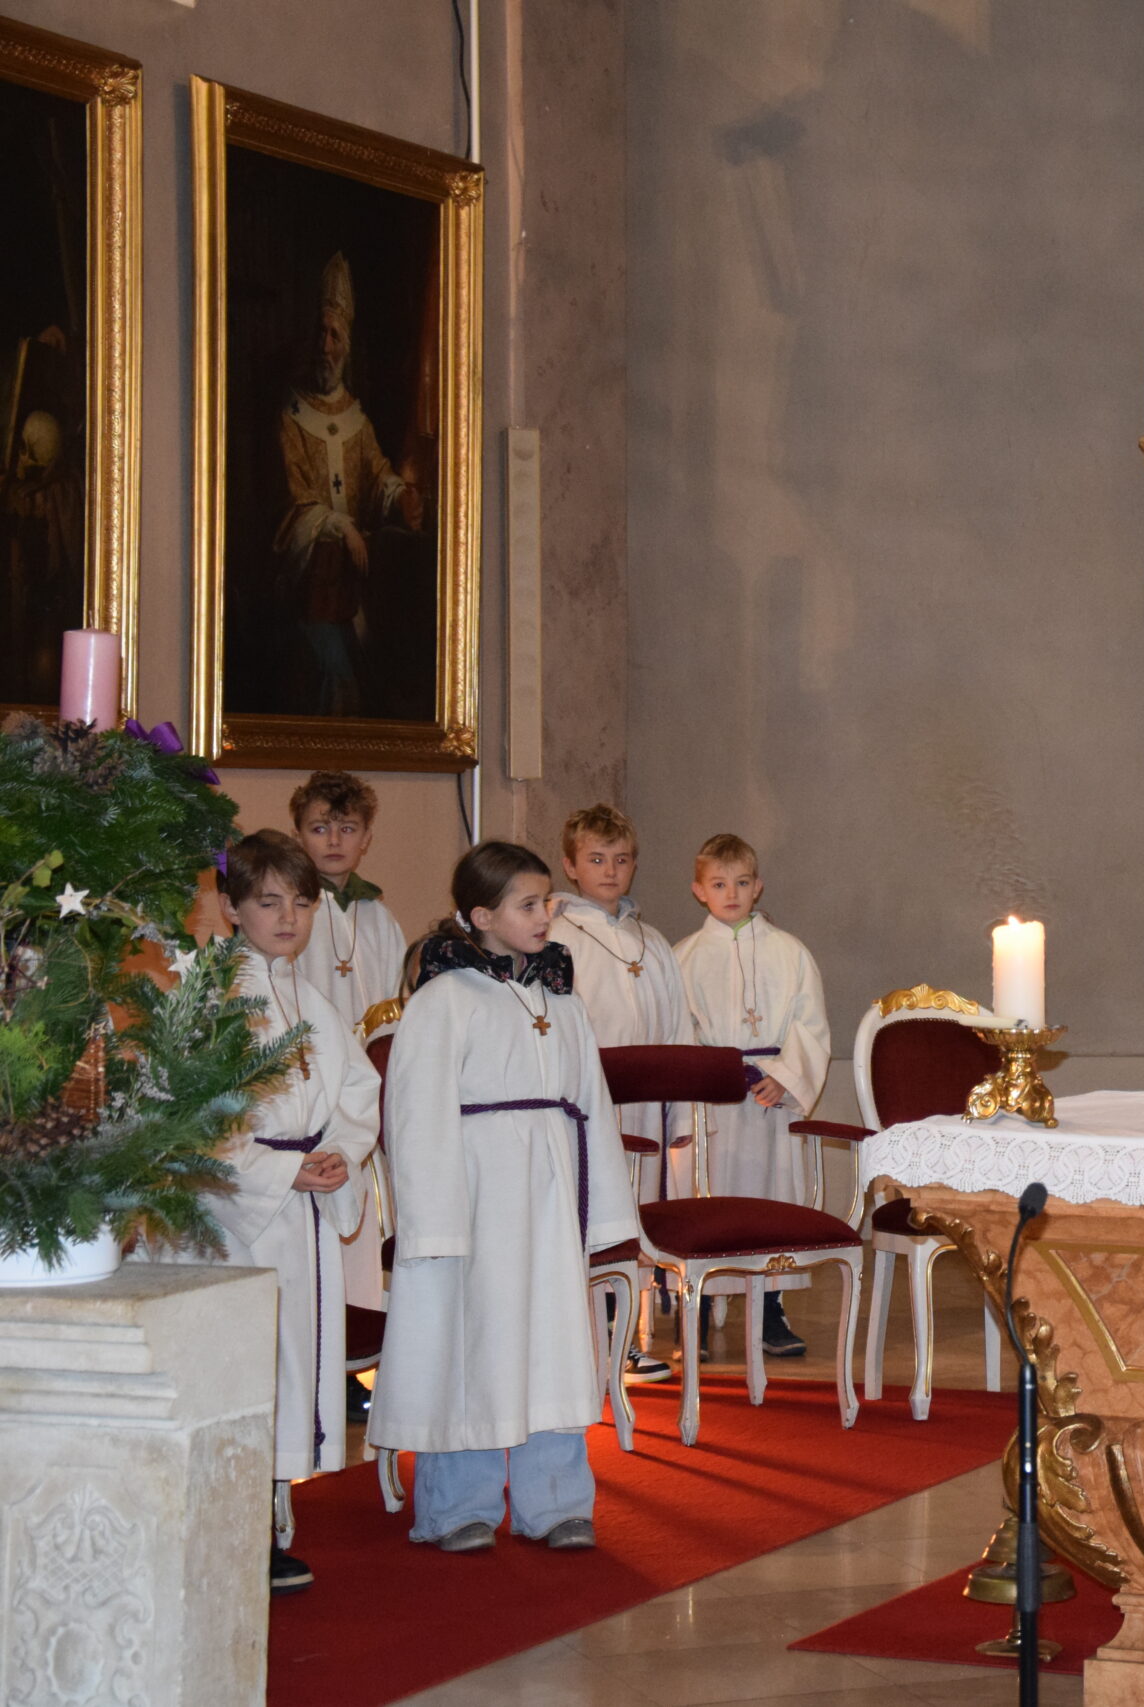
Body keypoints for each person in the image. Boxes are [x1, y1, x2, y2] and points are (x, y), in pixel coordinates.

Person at [369, 841, 637, 1553]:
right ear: (482, 916)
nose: (546, 914)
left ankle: (556, 1500)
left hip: (548, 1194)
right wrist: (432, 1220)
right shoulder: (444, 999)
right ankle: (460, 1503)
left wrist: (604, 1208)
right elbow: (415, 1113)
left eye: (547, 900)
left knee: (553, 1340)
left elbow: (591, 1102)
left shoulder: (560, 997)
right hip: (475, 1196)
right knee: (473, 1340)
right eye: (529, 904)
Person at [196, 830, 381, 1596]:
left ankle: (273, 1525)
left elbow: (359, 1089)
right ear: (231, 907)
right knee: (248, 1362)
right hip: (244, 1218)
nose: (288, 918)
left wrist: (339, 1151)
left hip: (303, 1208)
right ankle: (236, 1532)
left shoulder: (313, 1001)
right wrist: (278, 1168)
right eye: (269, 902)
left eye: (301, 903)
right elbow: (196, 1118)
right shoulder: (210, 999)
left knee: (292, 1361)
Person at [675, 833, 829, 1358]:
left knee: (769, 1202)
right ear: (699, 890)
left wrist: (786, 1075)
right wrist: (708, 1073)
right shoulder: (683, 957)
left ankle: (770, 1307)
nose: (732, 893)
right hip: (709, 1103)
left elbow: (811, 1026)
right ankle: (696, 1303)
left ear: (758, 886)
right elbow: (676, 1030)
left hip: (769, 1099)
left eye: (741, 883)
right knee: (706, 1200)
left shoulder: (791, 952)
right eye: (719, 884)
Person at [551, 804, 681, 1384]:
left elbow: (678, 1029)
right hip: (589, 1105)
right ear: (570, 866)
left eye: (621, 859)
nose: (610, 871)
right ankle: (590, 1341)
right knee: (592, 1219)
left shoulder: (651, 940)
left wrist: (680, 1110)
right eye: (596, 859)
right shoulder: (558, 935)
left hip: (646, 1108)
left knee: (633, 1219)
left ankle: (625, 1337)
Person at [274, 252, 423, 718]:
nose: (325, 345)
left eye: (335, 335)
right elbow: (293, 501)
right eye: (320, 333)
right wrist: (340, 526)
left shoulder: (357, 419)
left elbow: (377, 476)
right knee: (333, 670)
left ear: (347, 346)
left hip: (355, 582)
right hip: (311, 581)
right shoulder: (291, 416)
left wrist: (400, 498)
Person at [291, 769, 404, 1315]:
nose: (334, 841)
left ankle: (366, 1329)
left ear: (367, 839)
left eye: (347, 828)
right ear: (299, 837)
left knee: (373, 1210)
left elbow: (395, 1005)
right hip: (310, 1084)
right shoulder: (291, 913)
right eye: (320, 828)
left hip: (368, 1086)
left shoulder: (378, 915)